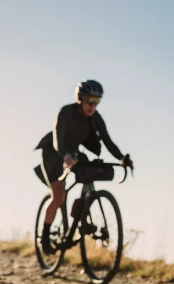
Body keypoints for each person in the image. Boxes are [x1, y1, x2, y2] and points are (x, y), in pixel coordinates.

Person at [35, 80, 133, 254]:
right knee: (59, 195)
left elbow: (107, 141)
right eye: (89, 101)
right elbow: (58, 139)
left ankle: (81, 216)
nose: (93, 106)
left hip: (73, 153)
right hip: (53, 152)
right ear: (80, 99)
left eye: (97, 102)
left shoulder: (96, 118)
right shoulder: (66, 112)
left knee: (88, 172)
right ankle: (44, 236)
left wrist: (121, 158)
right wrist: (65, 155)